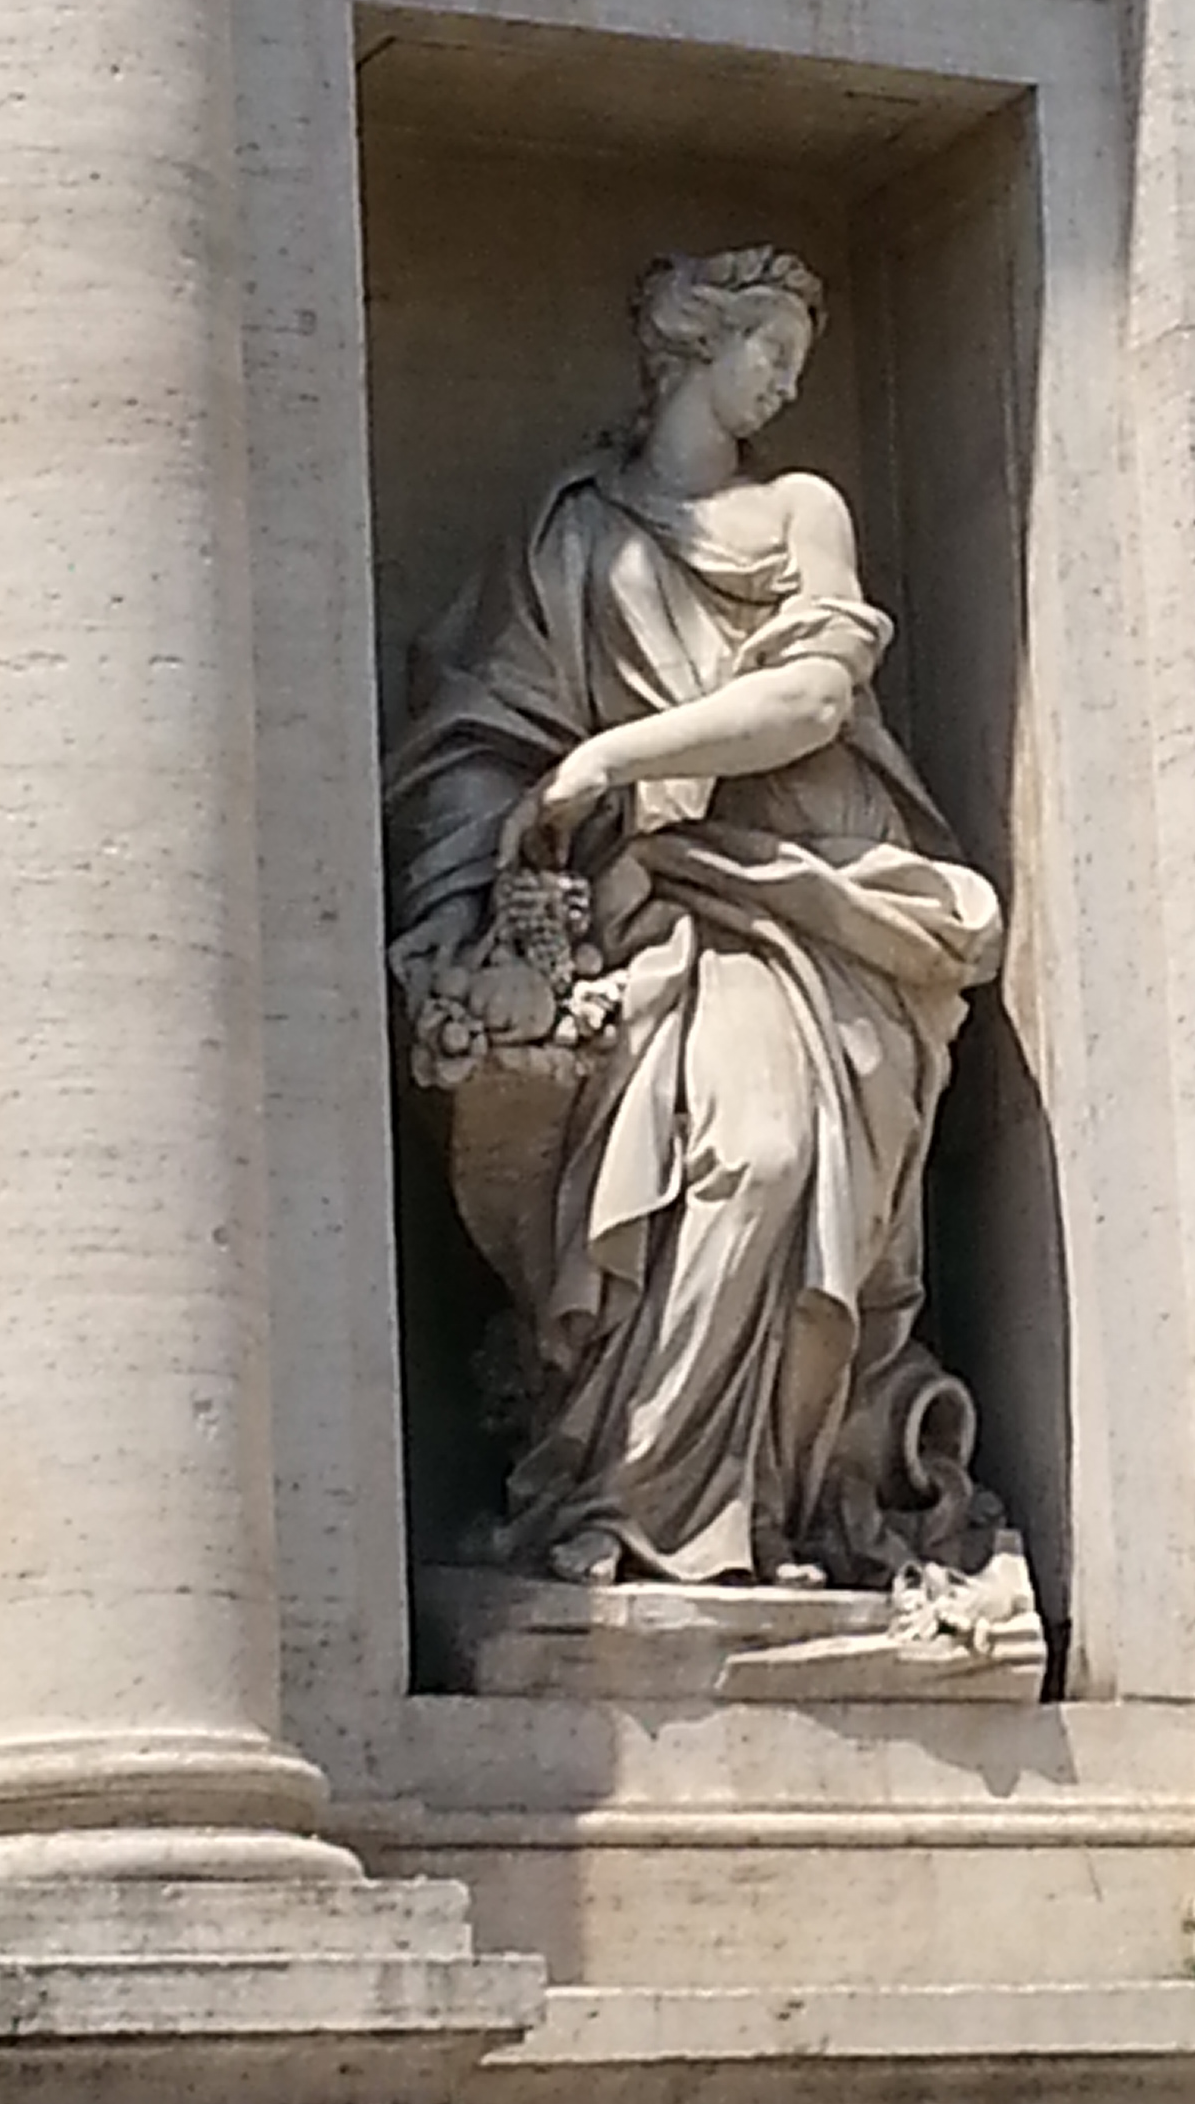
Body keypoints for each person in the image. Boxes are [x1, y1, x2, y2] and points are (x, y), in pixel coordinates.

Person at [385, 247, 1003, 1589]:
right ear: (693, 348)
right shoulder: (571, 537)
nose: (785, 376)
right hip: (650, 916)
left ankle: (761, 1511)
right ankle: (627, 1502)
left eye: (796, 353)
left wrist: (612, 758)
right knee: (743, 1157)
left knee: (777, 1158)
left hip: (816, 901)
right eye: (767, 346)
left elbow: (813, 703)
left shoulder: (801, 510)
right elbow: (483, 726)